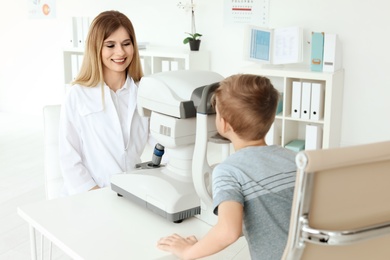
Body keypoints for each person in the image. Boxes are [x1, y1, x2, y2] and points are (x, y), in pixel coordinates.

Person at [157, 74, 297, 260]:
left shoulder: (229, 171)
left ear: (223, 123)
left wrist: (188, 251)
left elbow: (228, 231)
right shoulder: (294, 158)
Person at [59, 10, 150, 195]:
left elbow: (163, 145)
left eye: (126, 43)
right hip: (89, 196)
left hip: (132, 193)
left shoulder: (145, 93)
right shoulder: (77, 95)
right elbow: (69, 159)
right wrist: (96, 196)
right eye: (110, 45)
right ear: (96, 48)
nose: (120, 52)